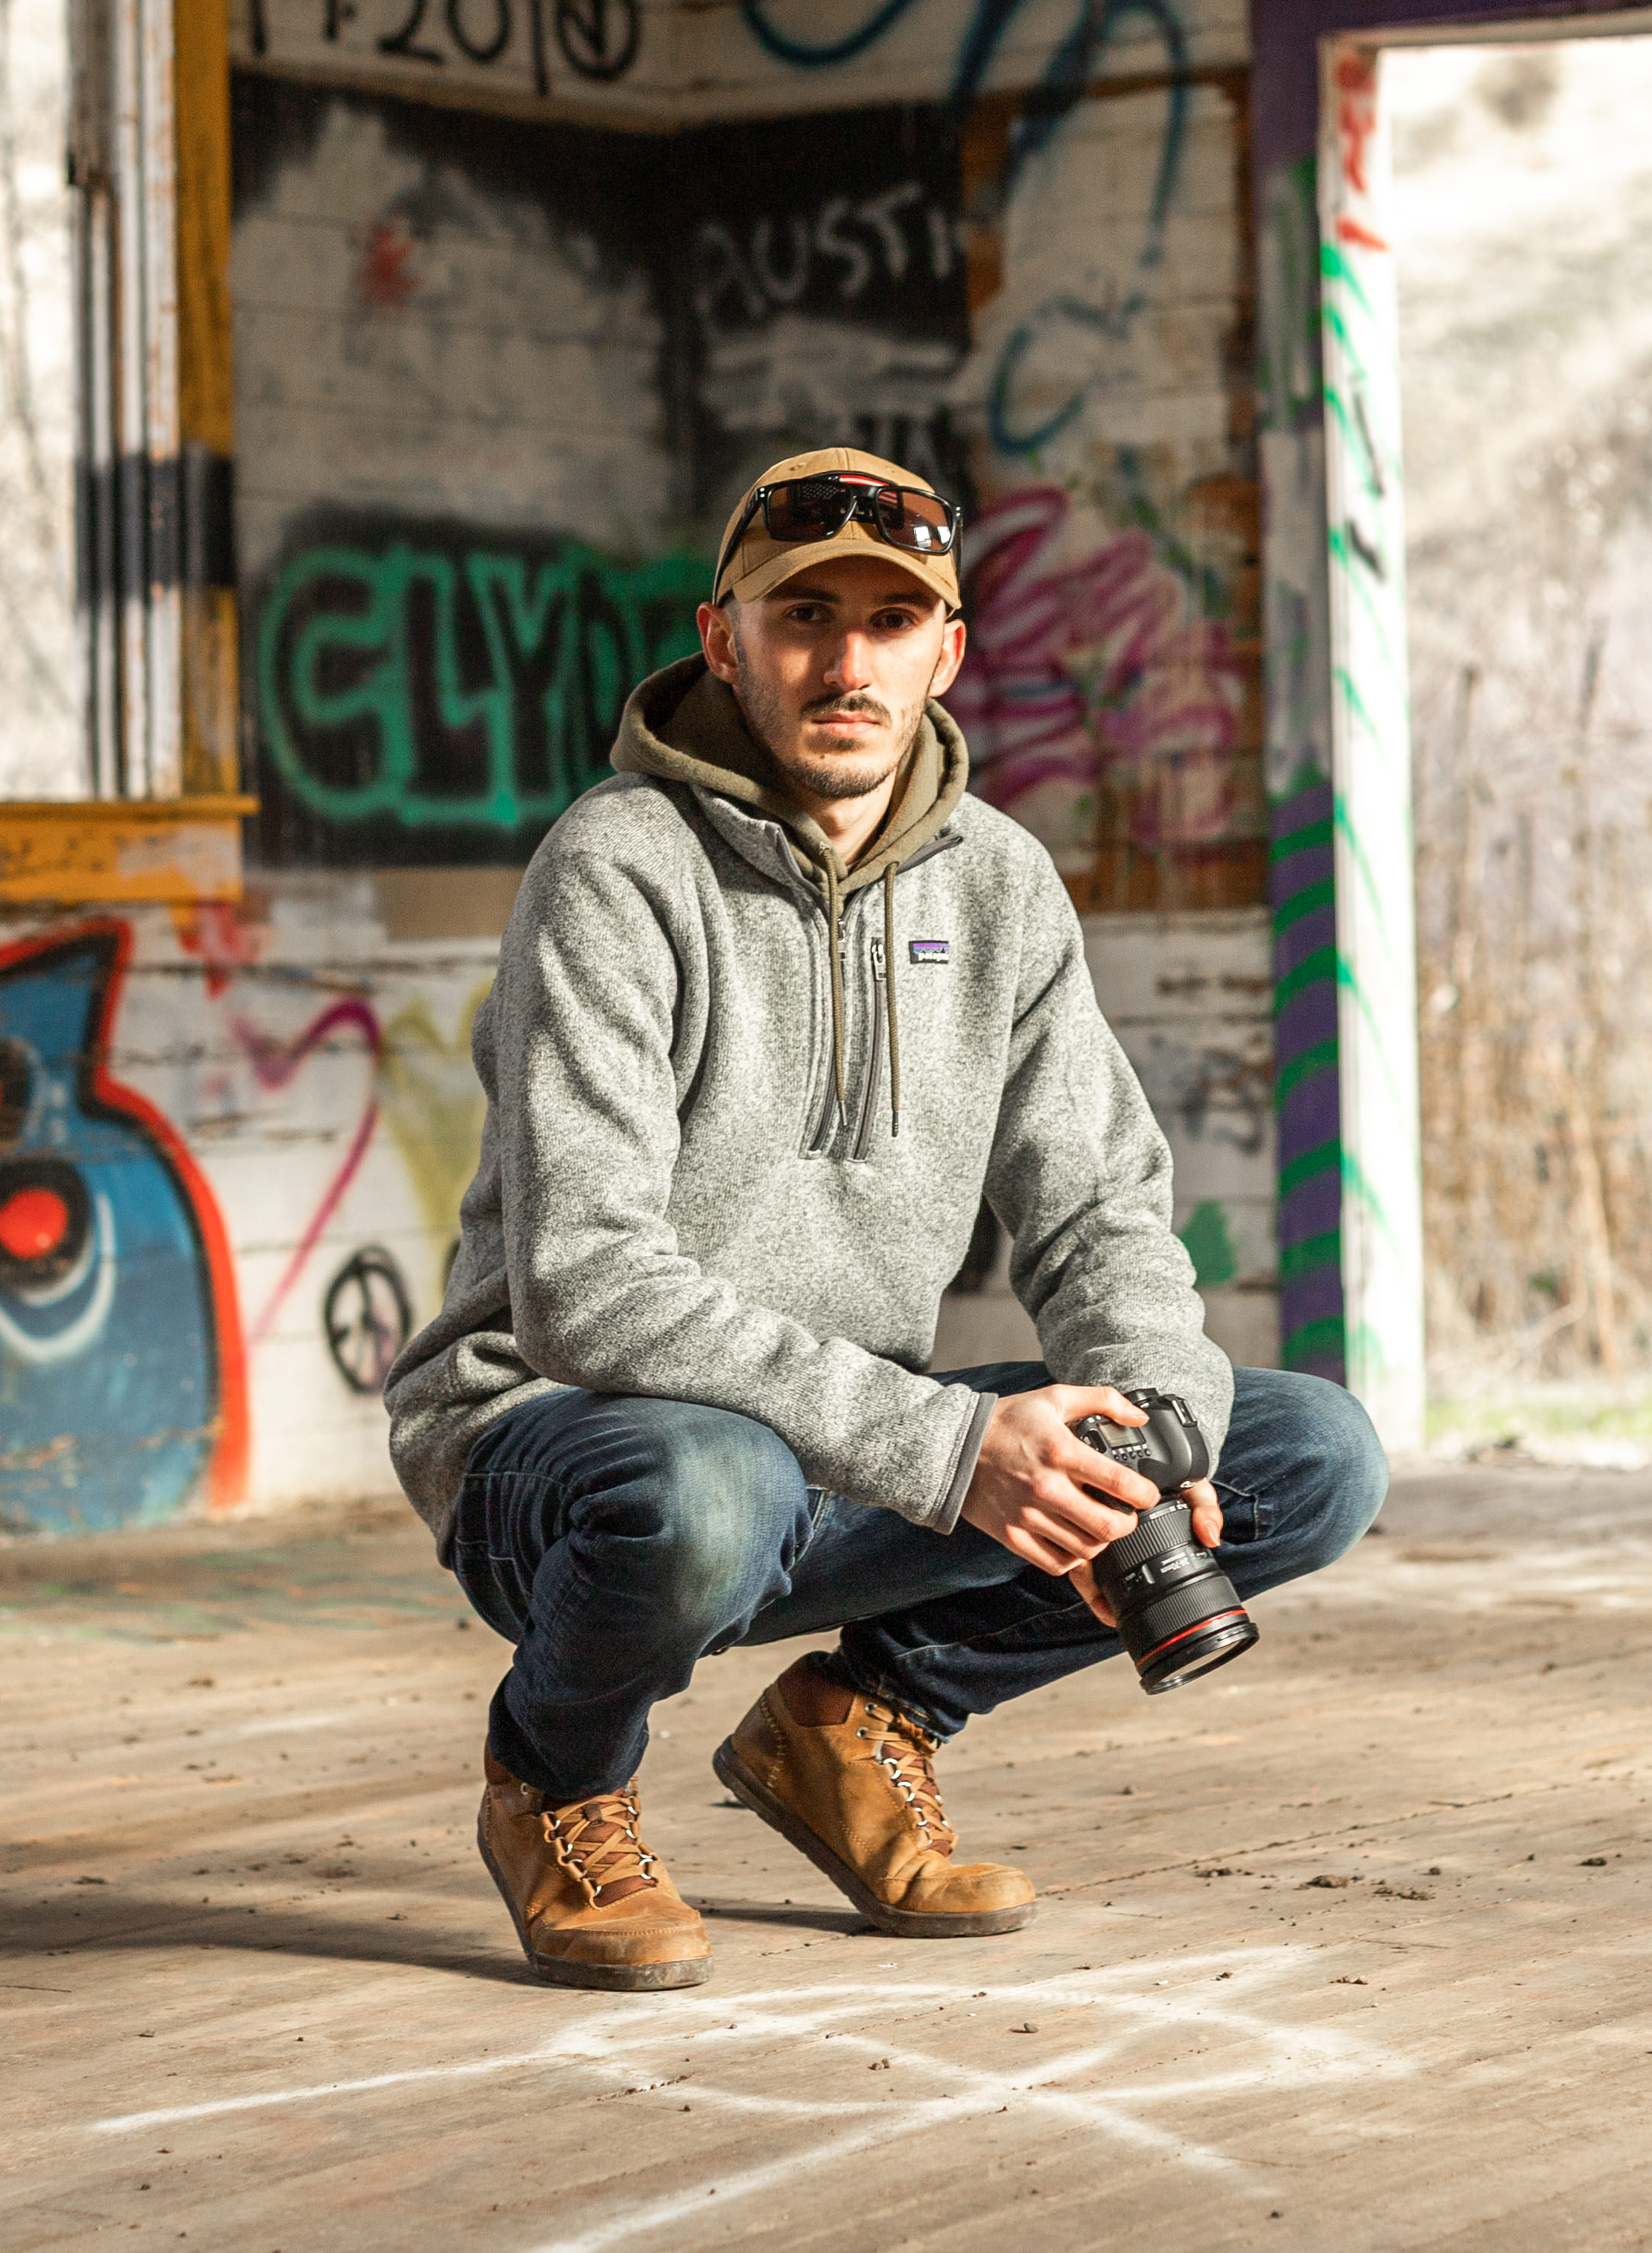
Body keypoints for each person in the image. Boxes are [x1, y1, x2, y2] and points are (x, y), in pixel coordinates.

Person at [385, 444, 1389, 1990]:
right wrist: (951, 1447)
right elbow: (588, 1284)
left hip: (849, 1449)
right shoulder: (615, 867)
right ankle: (556, 1779)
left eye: (888, 621)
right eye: (803, 617)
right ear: (725, 640)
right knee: (705, 1484)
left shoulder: (999, 886)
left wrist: (1161, 1428)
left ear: (947, 651)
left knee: (1304, 1452)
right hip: (571, 1447)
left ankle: (857, 1725)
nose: (846, 664)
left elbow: (1097, 1209)